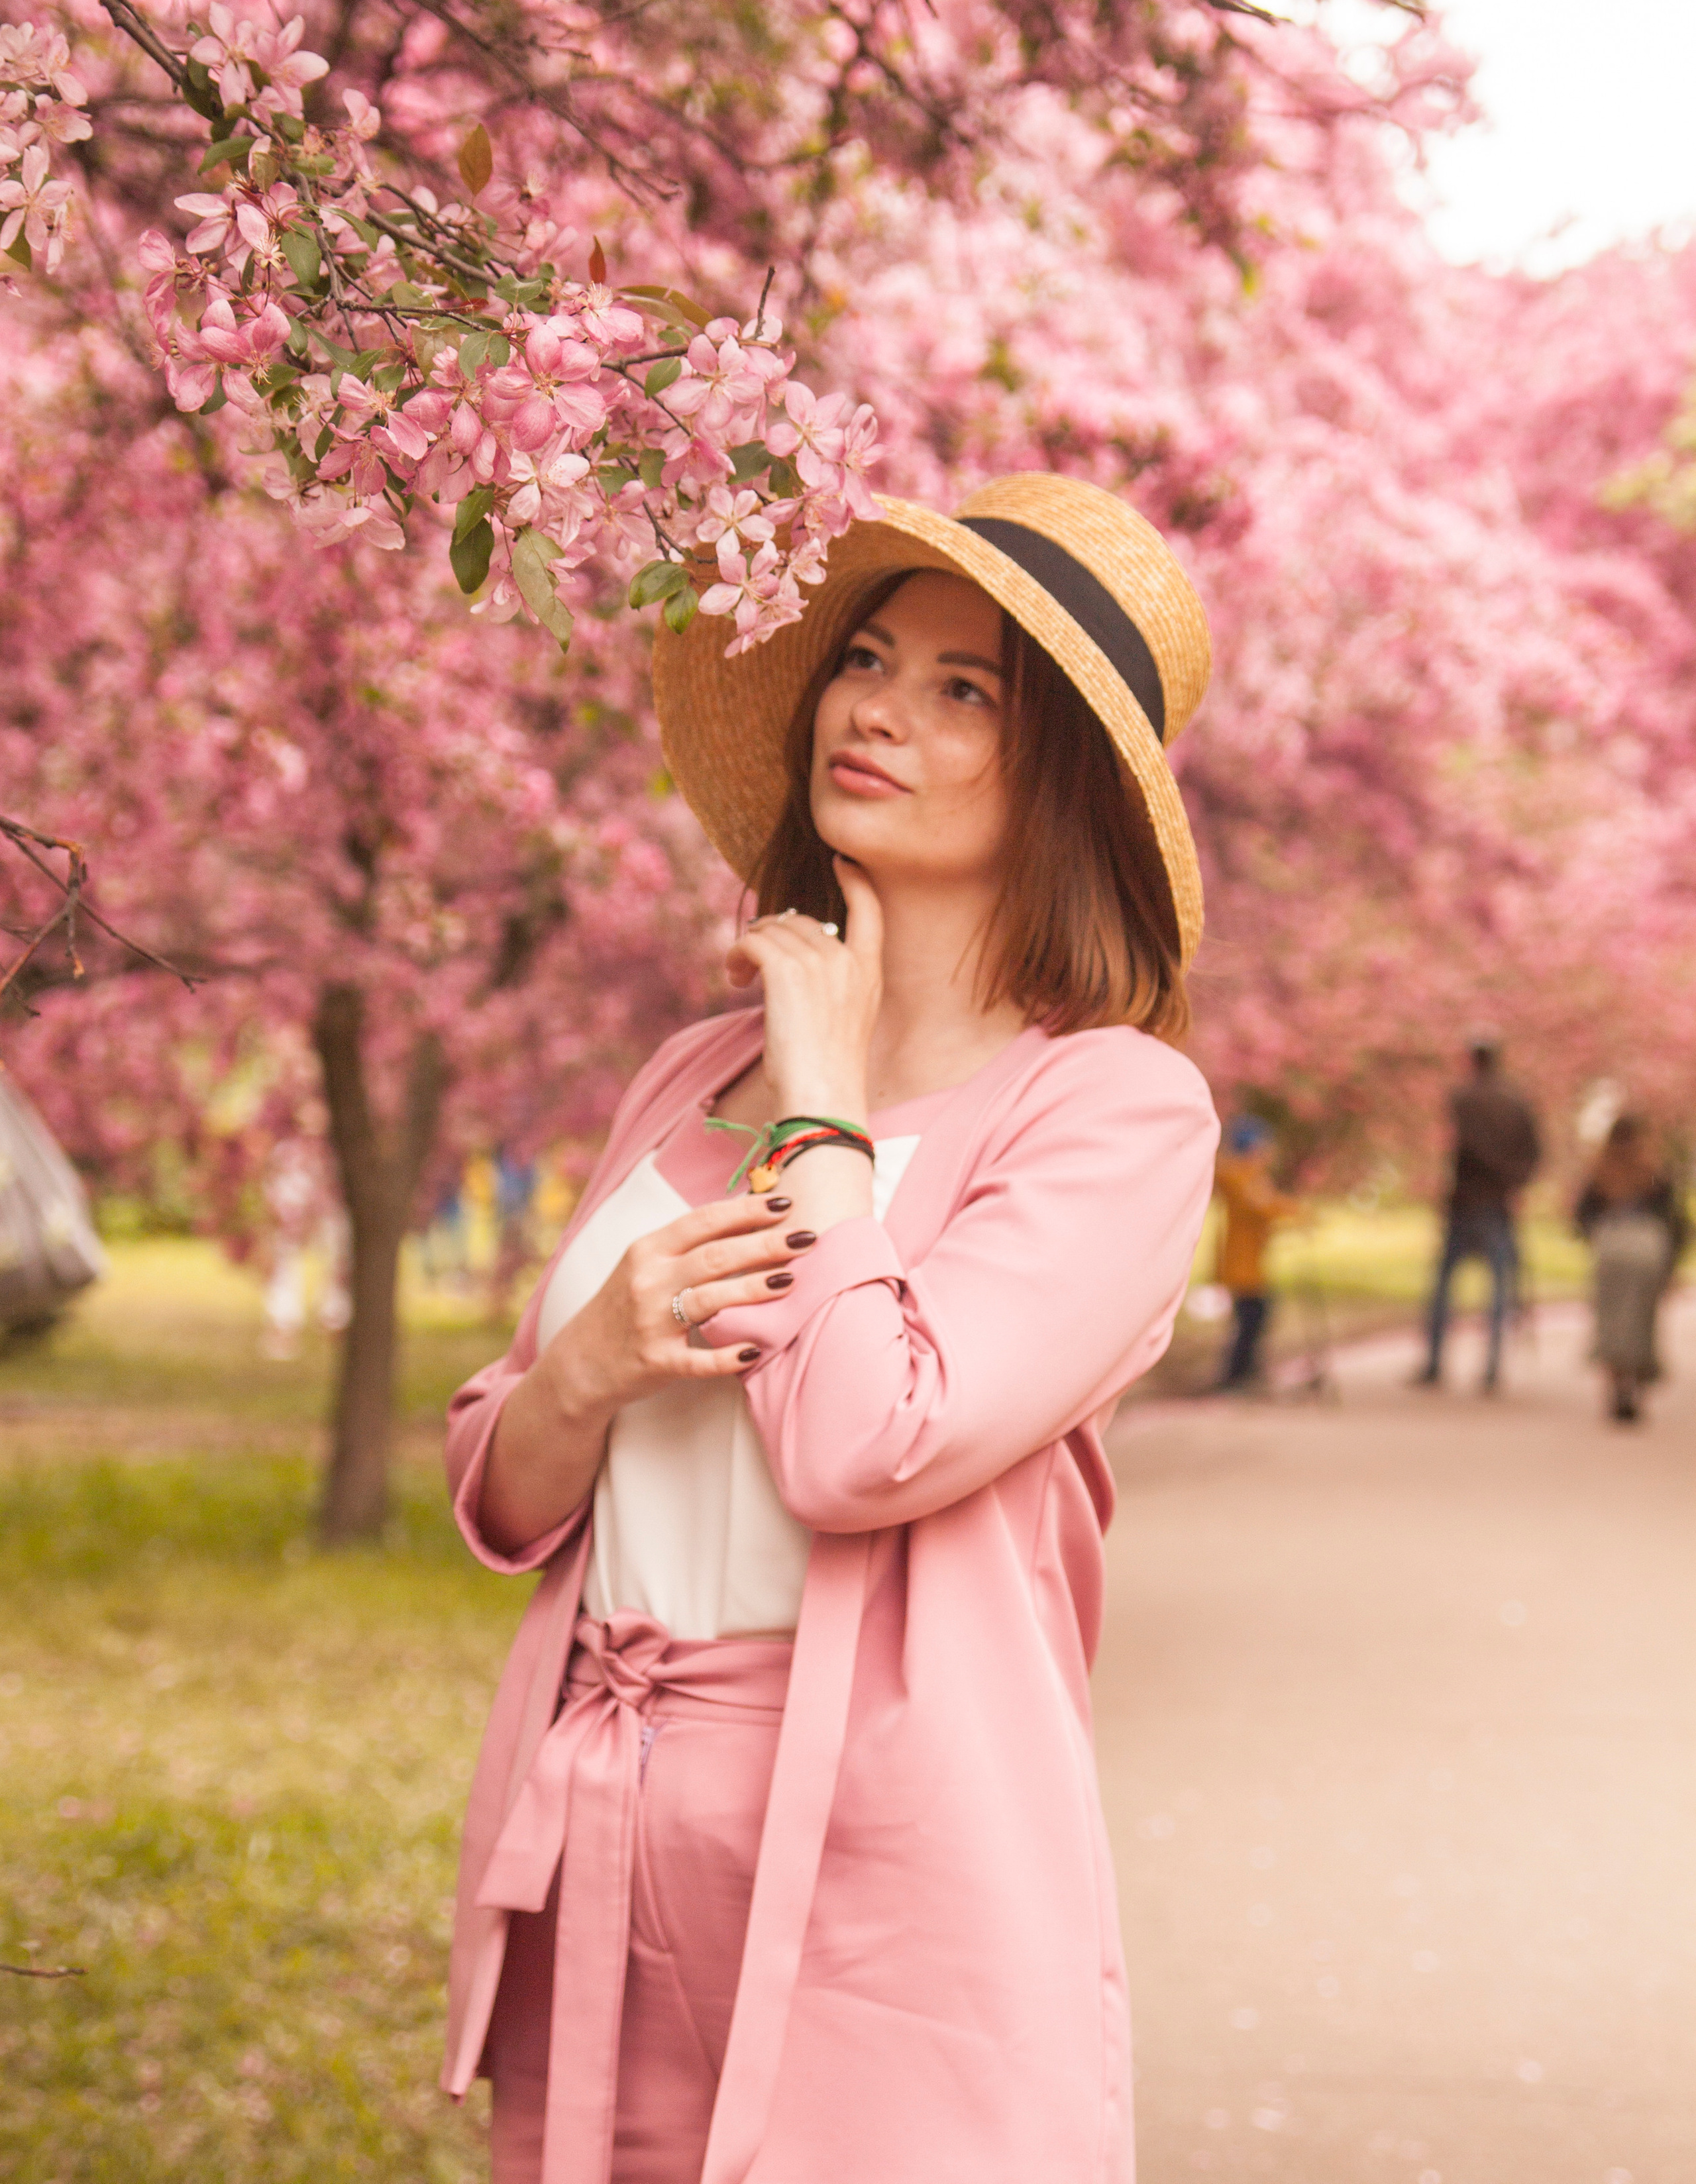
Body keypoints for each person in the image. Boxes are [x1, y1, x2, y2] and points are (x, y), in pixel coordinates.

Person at [440, 473, 1220, 2184]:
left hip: (886, 1864)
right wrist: (586, 1366)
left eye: (965, 689)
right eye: (867, 657)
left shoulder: (1111, 1115)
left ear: (1063, 783)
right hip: (601, 1816)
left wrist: (818, 1106)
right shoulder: (680, 1080)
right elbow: (503, 1489)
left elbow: (867, 1440)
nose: (876, 706)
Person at [1415, 1037, 1540, 1393]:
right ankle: (1491, 1367)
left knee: (1445, 1287)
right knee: (1498, 1290)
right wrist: (1514, 1183)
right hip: (1496, 1203)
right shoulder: (1517, 1101)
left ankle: (1436, 1364)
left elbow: (1460, 1149)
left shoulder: (1462, 1098)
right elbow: (1533, 1152)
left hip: (1468, 1201)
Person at [1574, 1115, 1686, 1424]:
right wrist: (1671, 1263)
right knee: (1641, 1318)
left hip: (1611, 1246)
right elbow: (1673, 1219)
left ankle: (1617, 1384)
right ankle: (1637, 1383)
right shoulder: (1653, 1171)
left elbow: (1582, 1215)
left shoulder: (1600, 1171)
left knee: (1611, 1319)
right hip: (1648, 1246)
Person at [1211, 1116, 1302, 1390]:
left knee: (1256, 1317)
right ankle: (1235, 1374)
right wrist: (1296, 1213)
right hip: (1241, 1264)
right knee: (1251, 1318)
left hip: (1251, 1264)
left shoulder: (1252, 1176)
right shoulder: (1240, 1175)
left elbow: (1266, 1209)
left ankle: (1246, 1370)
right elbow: (1263, 1206)